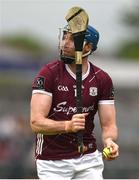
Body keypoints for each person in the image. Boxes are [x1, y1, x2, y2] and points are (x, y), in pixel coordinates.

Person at [30, 23, 119, 179]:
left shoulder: (102, 79)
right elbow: (36, 123)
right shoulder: (49, 73)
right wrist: (67, 125)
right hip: (52, 161)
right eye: (64, 36)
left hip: (88, 158)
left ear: (88, 47)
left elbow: (109, 125)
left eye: (72, 39)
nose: (65, 43)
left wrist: (109, 140)